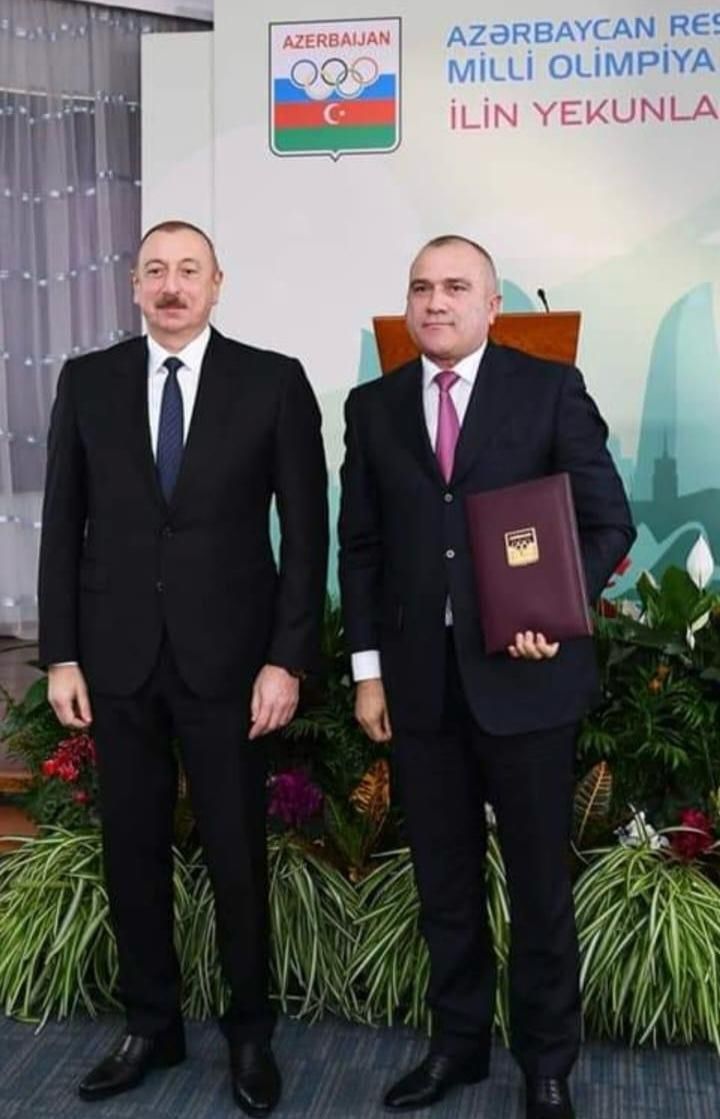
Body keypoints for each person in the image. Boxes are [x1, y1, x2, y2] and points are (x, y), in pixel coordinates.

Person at [338, 235, 635, 1119]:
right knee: (444, 883)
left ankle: (547, 1064)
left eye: (456, 286)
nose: (436, 302)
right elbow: (361, 549)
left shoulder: (549, 390)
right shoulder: (373, 406)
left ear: (492, 305)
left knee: (539, 887)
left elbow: (607, 521)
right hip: (419, 687)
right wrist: (367, 673)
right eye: (421, 287)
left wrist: (557, 608)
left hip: (528, 684)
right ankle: (457, 1047)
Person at [38, 220, 328, 1116]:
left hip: (232, 665)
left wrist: (286, 659)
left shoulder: (273, 382)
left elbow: (306, 535)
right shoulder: (87, 382)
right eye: (155, 270)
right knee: (130, 852)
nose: (171, 285)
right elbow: (62, 525)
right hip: (116, 659)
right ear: (133, 286)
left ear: (217, 283)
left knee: (237, 855)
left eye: (188, 270)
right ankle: (150, 1026)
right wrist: (61, 654)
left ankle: (250, 1035)